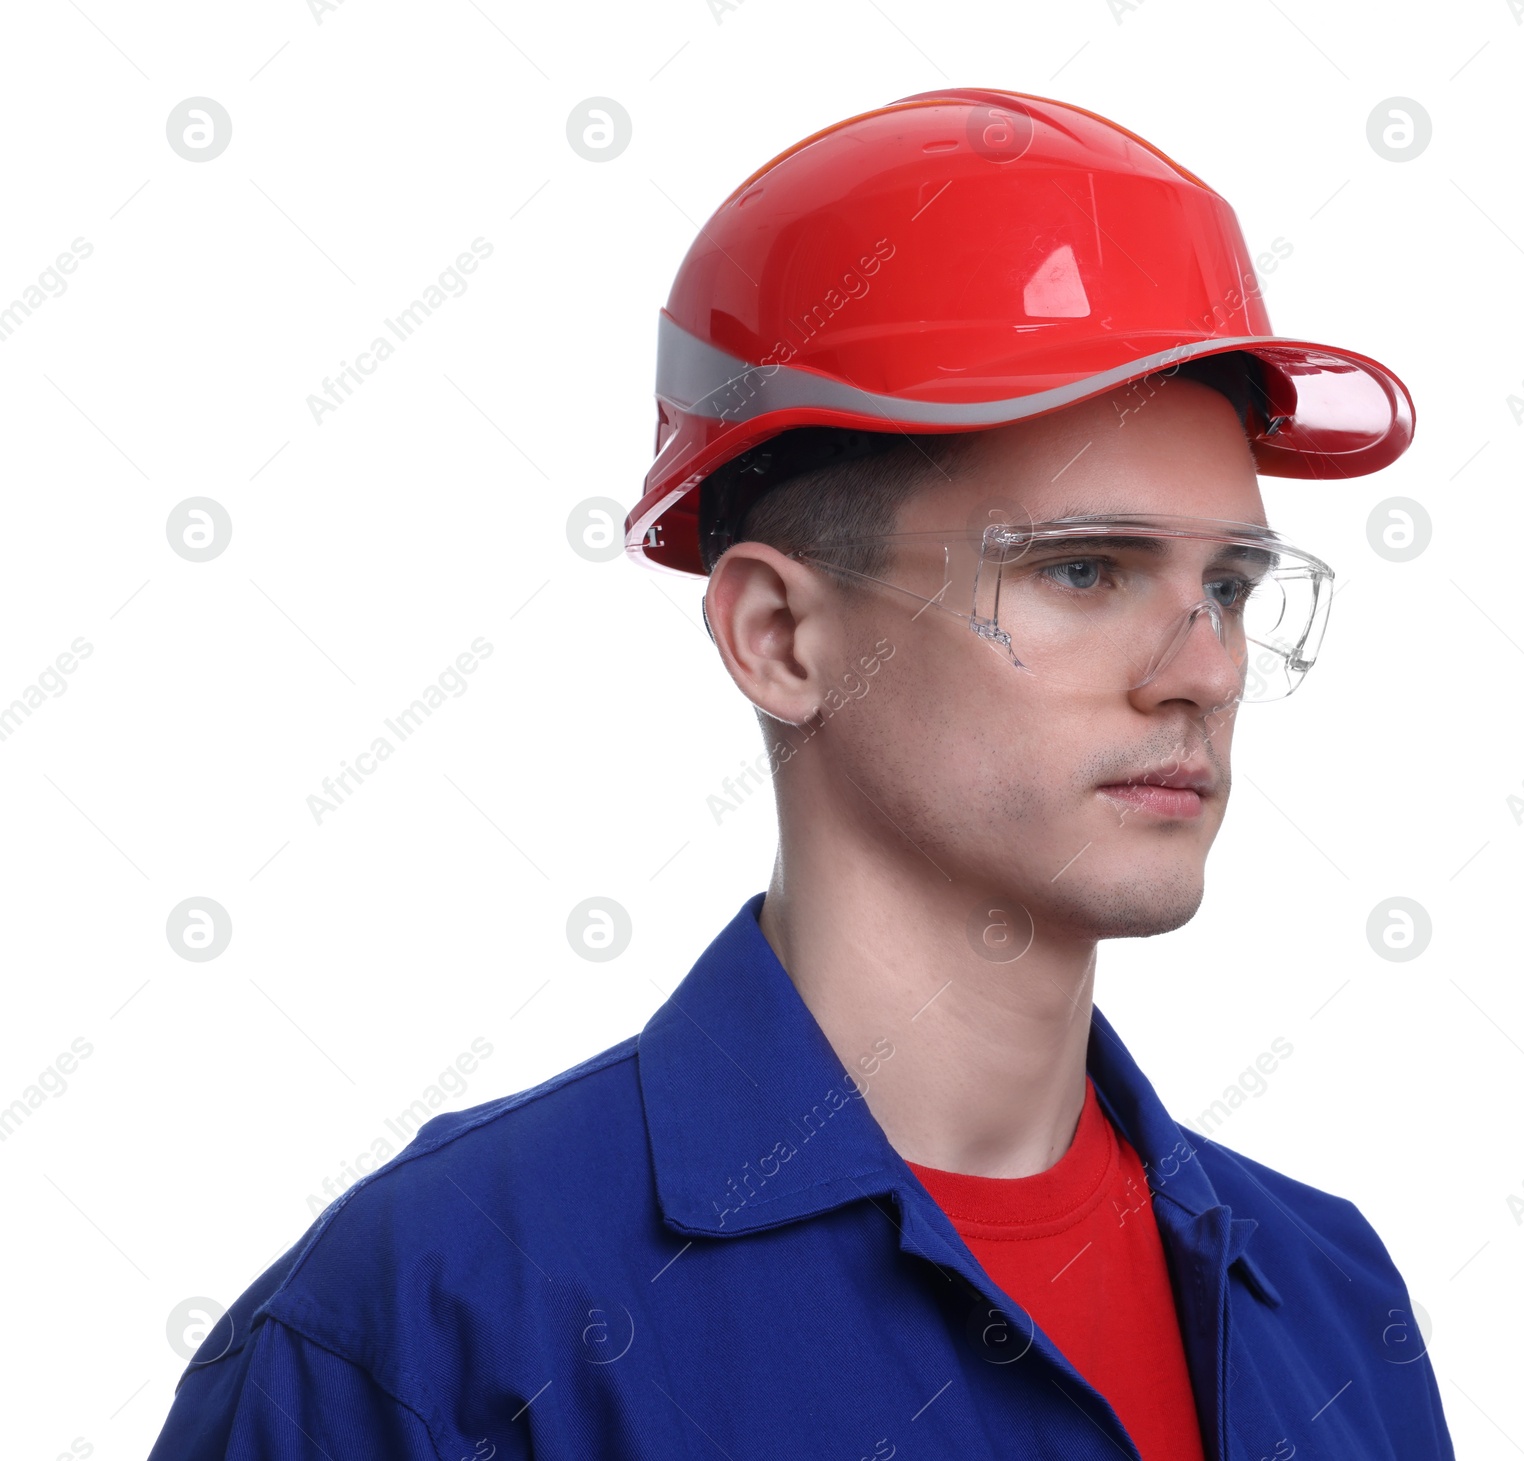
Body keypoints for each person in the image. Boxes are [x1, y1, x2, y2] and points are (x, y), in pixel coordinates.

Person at [148, 88, 1453, 1460]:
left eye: (1232, 585)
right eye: (1084, 568)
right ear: (779, 636)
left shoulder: (1327, 1298)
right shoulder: (443, 1326)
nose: (1203, 668)